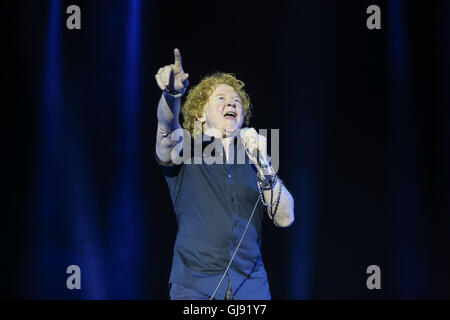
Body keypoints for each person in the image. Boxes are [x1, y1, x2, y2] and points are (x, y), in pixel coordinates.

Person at [155, 48, 295, 300]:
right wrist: (172, 94)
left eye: (236, 101)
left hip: (251, 288)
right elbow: (166, 127)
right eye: (220, 98)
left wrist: (265, 165)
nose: (232, 102)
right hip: (195, 286)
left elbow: (285, 218)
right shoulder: (187, 149)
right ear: (200, 113)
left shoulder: (255, 160)